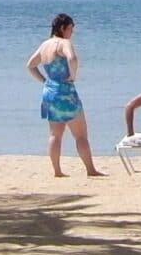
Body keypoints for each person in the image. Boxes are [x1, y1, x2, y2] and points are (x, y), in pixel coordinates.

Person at [27, 14, 102, 178]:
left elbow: (30, 65)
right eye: (70, 29)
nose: (72, 33)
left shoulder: (44, 45)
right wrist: (73, 75)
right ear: (62, 28)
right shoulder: (64, 43)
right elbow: (72, 59)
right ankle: (90, 169)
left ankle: (57, 171)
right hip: (65, 91)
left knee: (55, 134)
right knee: (80, 135)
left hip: (50, 91)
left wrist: (43, 80)